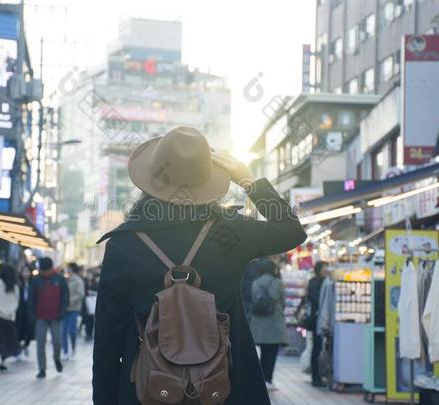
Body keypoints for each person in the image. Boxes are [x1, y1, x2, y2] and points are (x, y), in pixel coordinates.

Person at [92, 127, 307, 405]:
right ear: (207, 182)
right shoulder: (231, 232)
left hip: (146, 388)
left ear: (151, 180)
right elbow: (291, 230)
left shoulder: (124, 244)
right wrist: (249, 181)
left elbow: (107, 340)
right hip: (224, 386)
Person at [249, 258, 289, 391]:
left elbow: (253, 299)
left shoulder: (255, 283)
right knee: (272, 353)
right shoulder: (277, 282)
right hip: (274, 321)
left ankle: (260, 380)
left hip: (259, 322)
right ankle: (268, 380)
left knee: (263, 352)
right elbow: (283, 302)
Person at [29, 257, 69, 379]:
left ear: (51, 268)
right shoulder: (36, 280)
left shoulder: (60, 279)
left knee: (57, 342)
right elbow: (31, 299)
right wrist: (31, 315)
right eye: (43, 270)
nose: (45, 273)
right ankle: (42, 369)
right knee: (40, 343)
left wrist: (62, 312)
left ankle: (56, 358)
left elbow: (65, 297)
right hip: (40, 316)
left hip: (56, 316)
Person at [307, 260, 329, 387]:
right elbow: (316, 300)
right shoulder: (314, 283)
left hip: (321, 319)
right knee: (316, 348)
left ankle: (319, 375)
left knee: (319, 347)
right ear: (319, 269)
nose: (326, 270)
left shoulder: (325, 282)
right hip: (316, 319)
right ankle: (315, 376)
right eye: (324, 268)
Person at [61, 262, 84, 360]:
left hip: (74, 309)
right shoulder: (64, 280)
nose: (66, 270)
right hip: (64, 309)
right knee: (63, 331)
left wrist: (70, 300)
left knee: (72, 331)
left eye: (68, 268)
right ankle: (65, 351)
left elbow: (80, 294)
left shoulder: (78, 281)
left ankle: (73, 347)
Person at [15, 265, 34, 356]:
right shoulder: (18, 284)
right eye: (24, 271)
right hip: (20, 311)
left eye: (27, 271)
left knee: (29, 329)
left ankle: (26, 344)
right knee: (19, 329)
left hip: (30, 311)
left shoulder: (33, 284)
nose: (26, 273)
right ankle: (18, 347)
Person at [80, 267, 98, 341]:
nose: (89, 276)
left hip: (93, 303)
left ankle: (91, 334)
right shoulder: (83, 281)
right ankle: (88, 334)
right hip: (86, 304)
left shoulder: (96, 282)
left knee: (93, 320)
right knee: (87, 320)